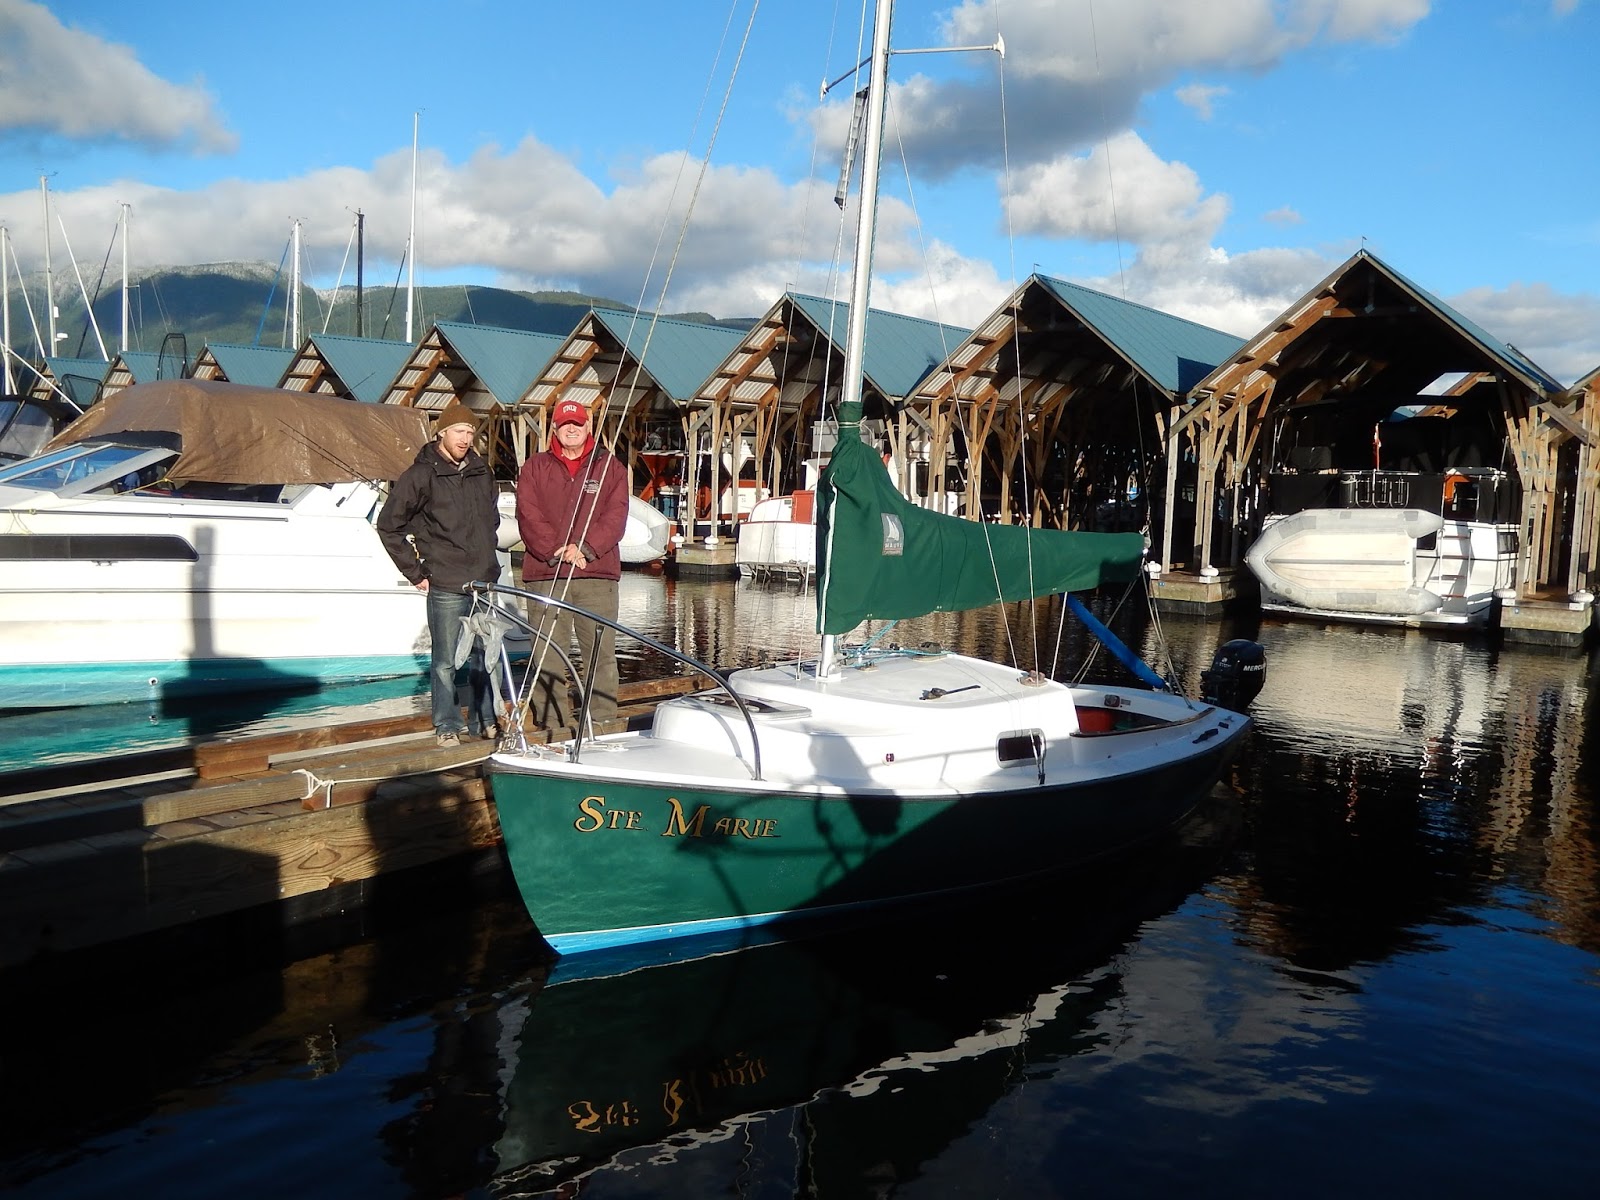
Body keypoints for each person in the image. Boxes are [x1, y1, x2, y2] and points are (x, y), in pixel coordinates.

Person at [377, 399, 502, 747]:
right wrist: (415, 572)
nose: (466, 438)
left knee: (483, 655)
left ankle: (485, 719)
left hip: (484, 579)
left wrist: (488, 551)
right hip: (446, 582)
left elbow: (492, 518)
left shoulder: (482, 471)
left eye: (470, 432)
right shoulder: (421, 475)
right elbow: (389, 526)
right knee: (446, 660)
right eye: (460, 431)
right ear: (442, 432)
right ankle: (447, 724)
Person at [516, 397, 629, 737]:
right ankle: (553, 725)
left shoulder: (610, 468)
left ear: (588, 427)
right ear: (554, 428)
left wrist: (587, 548)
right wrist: (556, 550)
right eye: (565, 424)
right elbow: (527, 513)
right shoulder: (534, 468)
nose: (571, 430)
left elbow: (616, 514)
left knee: (600, 654)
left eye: (577, 424)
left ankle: (603, 723)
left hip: (596, 575)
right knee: (548, 655)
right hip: (547, 574)